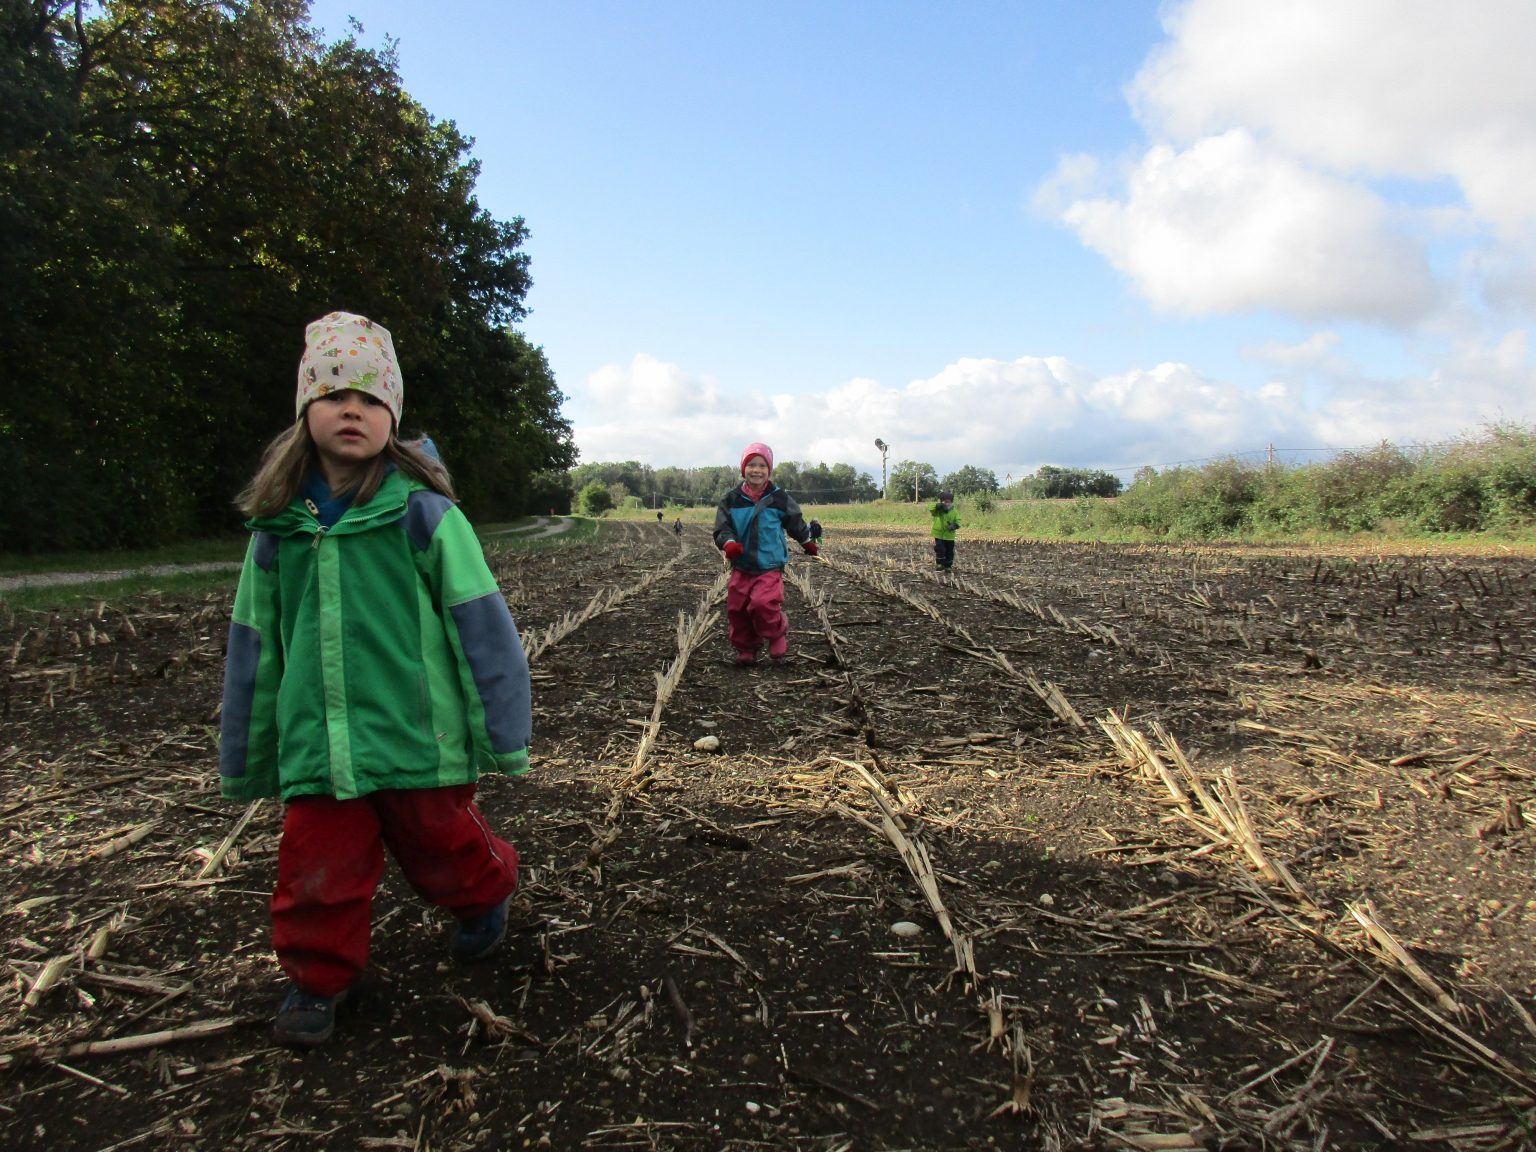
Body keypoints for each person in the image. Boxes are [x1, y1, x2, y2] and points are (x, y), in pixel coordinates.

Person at [219, 311, 531, 1049]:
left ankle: (485, 897)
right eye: (331, 394)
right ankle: (318, 979)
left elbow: (481, 625)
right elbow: (253, 648)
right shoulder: (276, 530)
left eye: (369, 396)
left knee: (443, 846)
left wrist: (502, 729)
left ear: (392, 415)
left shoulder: (424, 516)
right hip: (317, 747)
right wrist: (248, 747)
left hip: (416, 737)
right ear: (306, 413)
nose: (350, 408)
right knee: (314, 870)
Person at [713, 442, 817, 665]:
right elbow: (722, 528)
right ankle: (746, 648)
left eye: (762, 465)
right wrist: (729, 543)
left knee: (763, 603)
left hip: (770, 564)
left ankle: (776, 632)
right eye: (751, 464)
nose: (756, 470)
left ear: (769, 470)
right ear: (743, 469)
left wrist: (807, 542)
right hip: (741, 565)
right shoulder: (731, 500)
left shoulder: (779, 498)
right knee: (736, 608)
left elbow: (795, 522)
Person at [930, 490, 960, 571]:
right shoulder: (937, 511)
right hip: (939, 535)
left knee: (949, 551)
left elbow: (958, 520)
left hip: (950, 536)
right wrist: (937, 506)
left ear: (951, 502)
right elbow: (931, 508)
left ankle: (948, 566)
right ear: (941, 502)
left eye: (948, 502)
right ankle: (940, 564)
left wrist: (954, 525)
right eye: (944, 502)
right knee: (940, 549)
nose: (947, 504)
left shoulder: (955, 512)